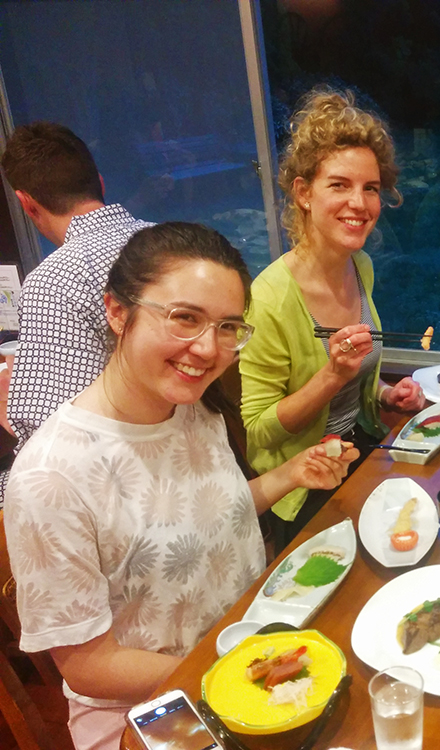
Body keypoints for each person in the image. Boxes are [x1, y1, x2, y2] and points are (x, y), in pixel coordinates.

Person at [3, 223, 358, 750]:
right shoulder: (51, 477)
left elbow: (208, 519)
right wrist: (234, 672)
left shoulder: (192, 408)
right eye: (185, 318)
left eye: (227, 327)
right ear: (117, 311)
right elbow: (89, 667)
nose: (208, 349)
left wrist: (291, 474)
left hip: (248, 662)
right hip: (154, 713)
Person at [240, 89, 425, 551]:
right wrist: (331, 375)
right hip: (304, 482)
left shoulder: (359, 265)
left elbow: (354, 377)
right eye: (339, 185)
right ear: (303, 193)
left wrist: (386, 393)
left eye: (370, 188)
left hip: (359, 450)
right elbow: (258, 429)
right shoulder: (268, 297)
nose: (359, 203)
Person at [0, 122, 153, 505]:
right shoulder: (173, 242)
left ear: (26, 203)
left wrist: (10, 407)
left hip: (124, 482)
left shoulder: (56, 279)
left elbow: (54, 438)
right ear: (99, 182)